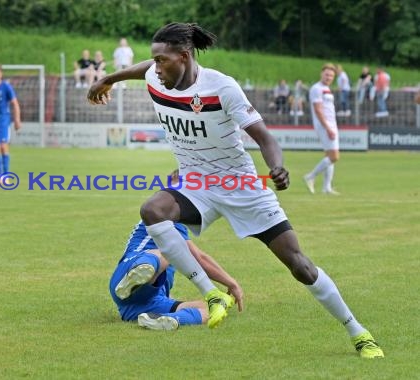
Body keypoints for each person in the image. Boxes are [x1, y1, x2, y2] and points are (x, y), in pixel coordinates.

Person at [87, 22, 383, 358]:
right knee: (153, 209)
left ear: (184, 57)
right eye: (154, 60)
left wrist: (276, 167)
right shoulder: (158, 74)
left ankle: (358, 332)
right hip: (196, 184)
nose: (155, 67)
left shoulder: (222, 87)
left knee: (301, 266)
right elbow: (143, 69)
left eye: (162, 60)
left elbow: (265, 138)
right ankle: (209, 293)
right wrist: (109, 78)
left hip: (240, 186)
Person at [110, 218, 243, 330]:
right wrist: (232, 283)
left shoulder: (169, 218)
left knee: (209, 309)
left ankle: (164, 319)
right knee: (168, 250)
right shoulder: (163, 219)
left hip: (140, 303)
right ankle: (137, 274)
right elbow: (199, 258)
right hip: (125, 274)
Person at [304, 63, 341, 195]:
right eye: (327, 74)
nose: (329, 77)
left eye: (331, 75)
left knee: (329, 156)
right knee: (334, 156)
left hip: (331, 124)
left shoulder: (326, 88)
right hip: (325, 125)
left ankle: (326, 187)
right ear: (321, 74)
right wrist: (328, 127)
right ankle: (310, 176)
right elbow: (318, 110)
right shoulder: (316, 88)